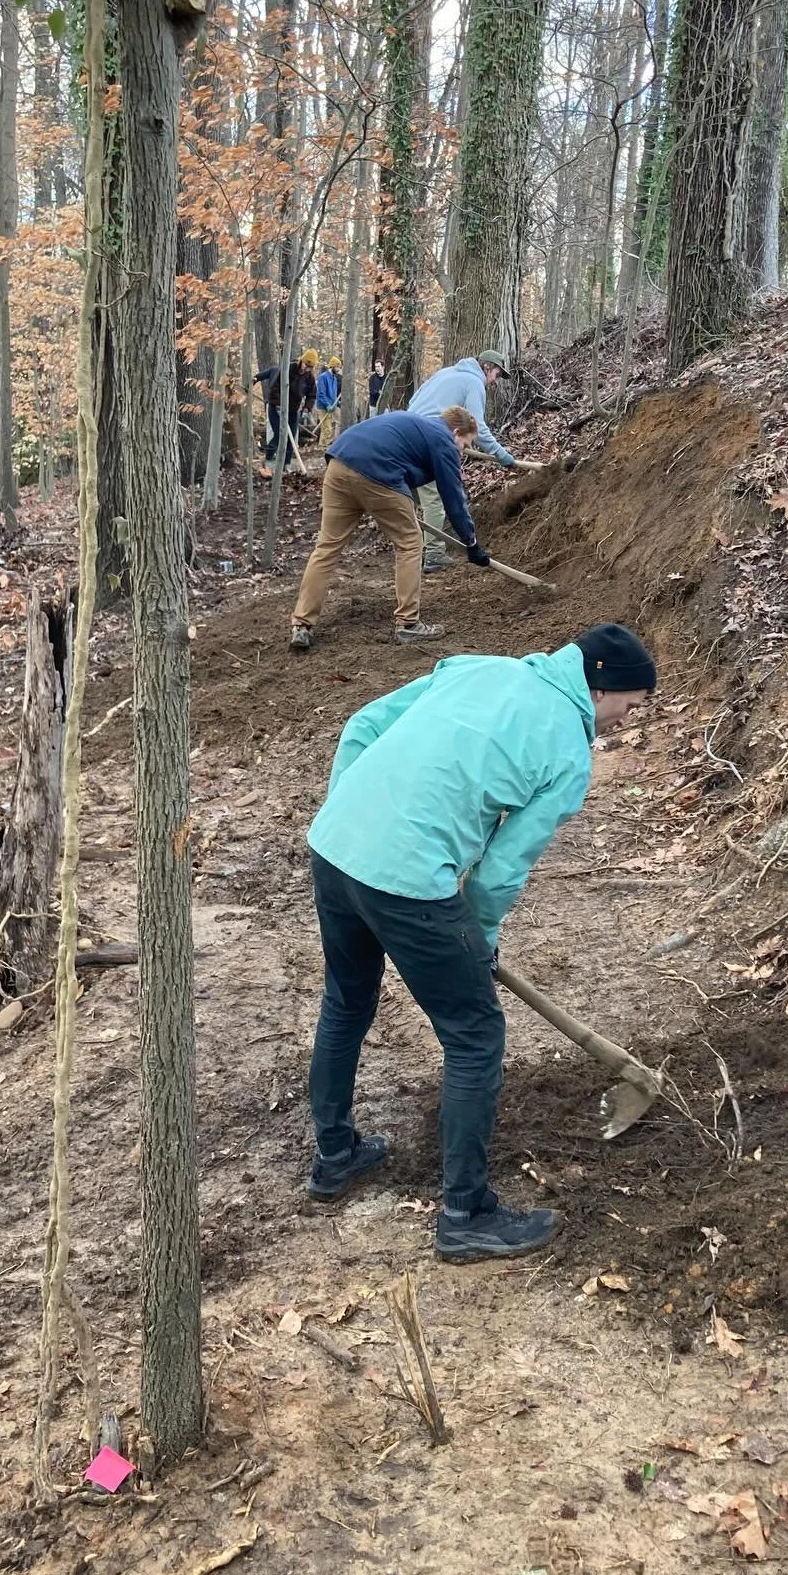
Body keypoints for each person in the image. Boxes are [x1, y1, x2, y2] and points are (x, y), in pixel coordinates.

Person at [301, 623, 657, 1261]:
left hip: (334, 847)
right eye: (629, 707)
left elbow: (362, 726)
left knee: (347, 1001)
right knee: (475, 1037)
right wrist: (479, 940)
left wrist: (356, 814)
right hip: (406, 880)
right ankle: (466, 1215)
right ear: (602, 689)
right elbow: (500, 870)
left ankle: (335, 1156)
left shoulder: (476, 667)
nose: (624, 722)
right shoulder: (570, 754)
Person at [290, 406, 487, 650]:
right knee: (410, 543)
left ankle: (302, 624)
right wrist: (471, 542)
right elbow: (454, 499)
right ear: (456, 431)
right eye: (465, 444)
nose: (463, 451)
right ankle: (408, 624)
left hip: (339, 465)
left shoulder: (417, 425)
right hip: (377, 472)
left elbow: (408, 467)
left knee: (327, 547)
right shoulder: (443, 439)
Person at [408, 350, 544, 572]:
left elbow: (414, 401)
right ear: (488, 368)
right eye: (497, 375)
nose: (495, 382)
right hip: (431, 442)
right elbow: (477, 428)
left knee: (418, 496)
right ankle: (433, 555)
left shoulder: (447, 373)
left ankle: (416, 545)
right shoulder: (473, 382)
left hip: (409, 434)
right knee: (434, 499)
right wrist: (501, 454)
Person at [255, 349, 319, 468]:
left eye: (310, 367)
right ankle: (268, 458)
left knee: (292, 437)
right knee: (280, 434)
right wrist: (278, 404)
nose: (306, 368)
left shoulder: (309, 377)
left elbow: (312, 395)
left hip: (293, 411)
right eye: (306, 364)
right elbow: (275, 388)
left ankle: (287, 464)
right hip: (276, 408)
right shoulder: (288, 369)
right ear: (302, 361)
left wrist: (306, 409)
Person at [315, 355, 341, 447]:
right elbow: (321, 393)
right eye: (337, 367)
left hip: (332, 405)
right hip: (323, 407)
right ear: (333, 366)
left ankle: (325, 445)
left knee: (332, 427)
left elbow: (334, 394)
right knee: (327, 428)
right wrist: (327, 405)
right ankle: (323, 447)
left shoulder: (334, 378)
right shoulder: (323, 377)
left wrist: (336, 403)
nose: (338, 369)